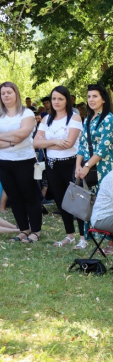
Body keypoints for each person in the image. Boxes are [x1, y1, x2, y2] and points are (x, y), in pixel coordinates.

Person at [33, 85, 85, 247]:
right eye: (54, 98)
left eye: (60, 99)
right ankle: (69, 235)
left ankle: (83, 238)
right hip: (52, 165)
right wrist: (55, 141)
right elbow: (35, 142)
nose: (56, 102)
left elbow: (69, 144)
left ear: (67, 100)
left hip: (71, 163)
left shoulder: (74, 118)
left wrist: (46, 144)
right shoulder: (46, 119)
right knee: (61, 201)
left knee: (77, 201)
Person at [0, 82, 42, 243]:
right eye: (3, 93)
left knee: (29, 196)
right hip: (4, 162)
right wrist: (13, 140)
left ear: (16, 93)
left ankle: (35, 231)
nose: (6, 96)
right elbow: (17, 137)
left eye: (9, 92)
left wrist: (13, 138)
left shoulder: (26, 113)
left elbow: (22, 134)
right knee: (14, 197)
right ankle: (23, 230)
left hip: (24, 161)